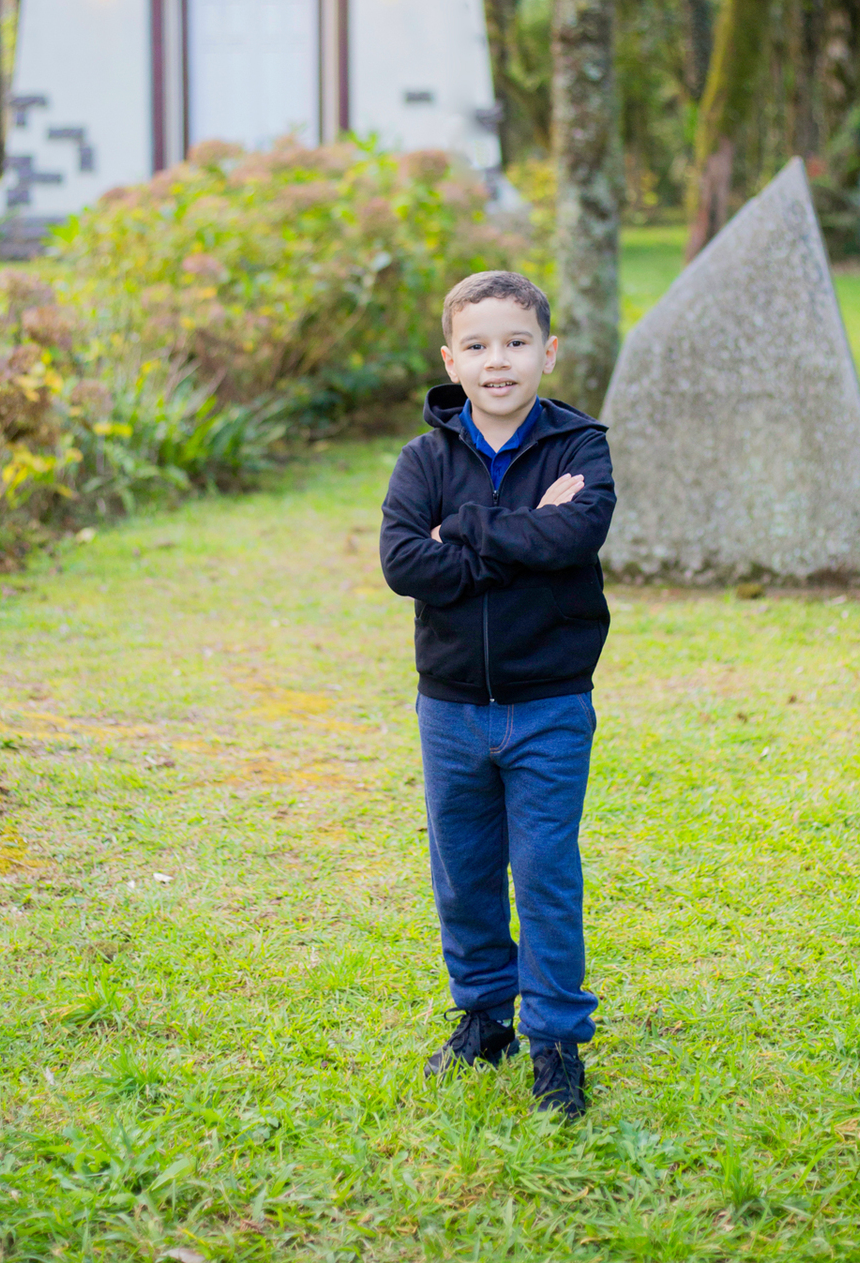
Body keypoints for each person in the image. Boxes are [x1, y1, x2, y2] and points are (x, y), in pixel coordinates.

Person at [379, 269, 616, 1121]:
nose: (498, 361)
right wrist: (520, 537)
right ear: (452, 359)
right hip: (449, 709)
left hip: (549, 704)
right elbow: (406, 563)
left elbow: (576, 532)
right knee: (465, 872)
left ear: (547, 352)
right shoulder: (423, 459)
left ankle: (555, 1040)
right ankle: (485, 1017)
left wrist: (468, 529)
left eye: (516, 343)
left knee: (545, 871)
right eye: (477, 346)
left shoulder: (581, 447)